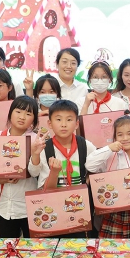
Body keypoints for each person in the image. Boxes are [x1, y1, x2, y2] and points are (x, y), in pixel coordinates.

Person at [28, 100, 98, 238]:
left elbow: (97, 167)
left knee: (80, 243)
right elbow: (35, 174)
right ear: (49, 123)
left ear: (77, 123)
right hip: (53, 207)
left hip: (80, 207)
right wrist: (36, 155)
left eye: (69, 119)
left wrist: (90, 178)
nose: (64, 124)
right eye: (58, 119)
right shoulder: (45, 148)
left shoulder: (86, 145)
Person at [0, 96, 40, 239]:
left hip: (27, 204)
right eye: (18, 111)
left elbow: (35, 172)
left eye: (28, 114)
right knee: (8, 244)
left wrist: (35, 154)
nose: (22, 117)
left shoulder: (35, 140)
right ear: (10, 113)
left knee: (31, 245)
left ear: (34, 120)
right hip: (4, 205)